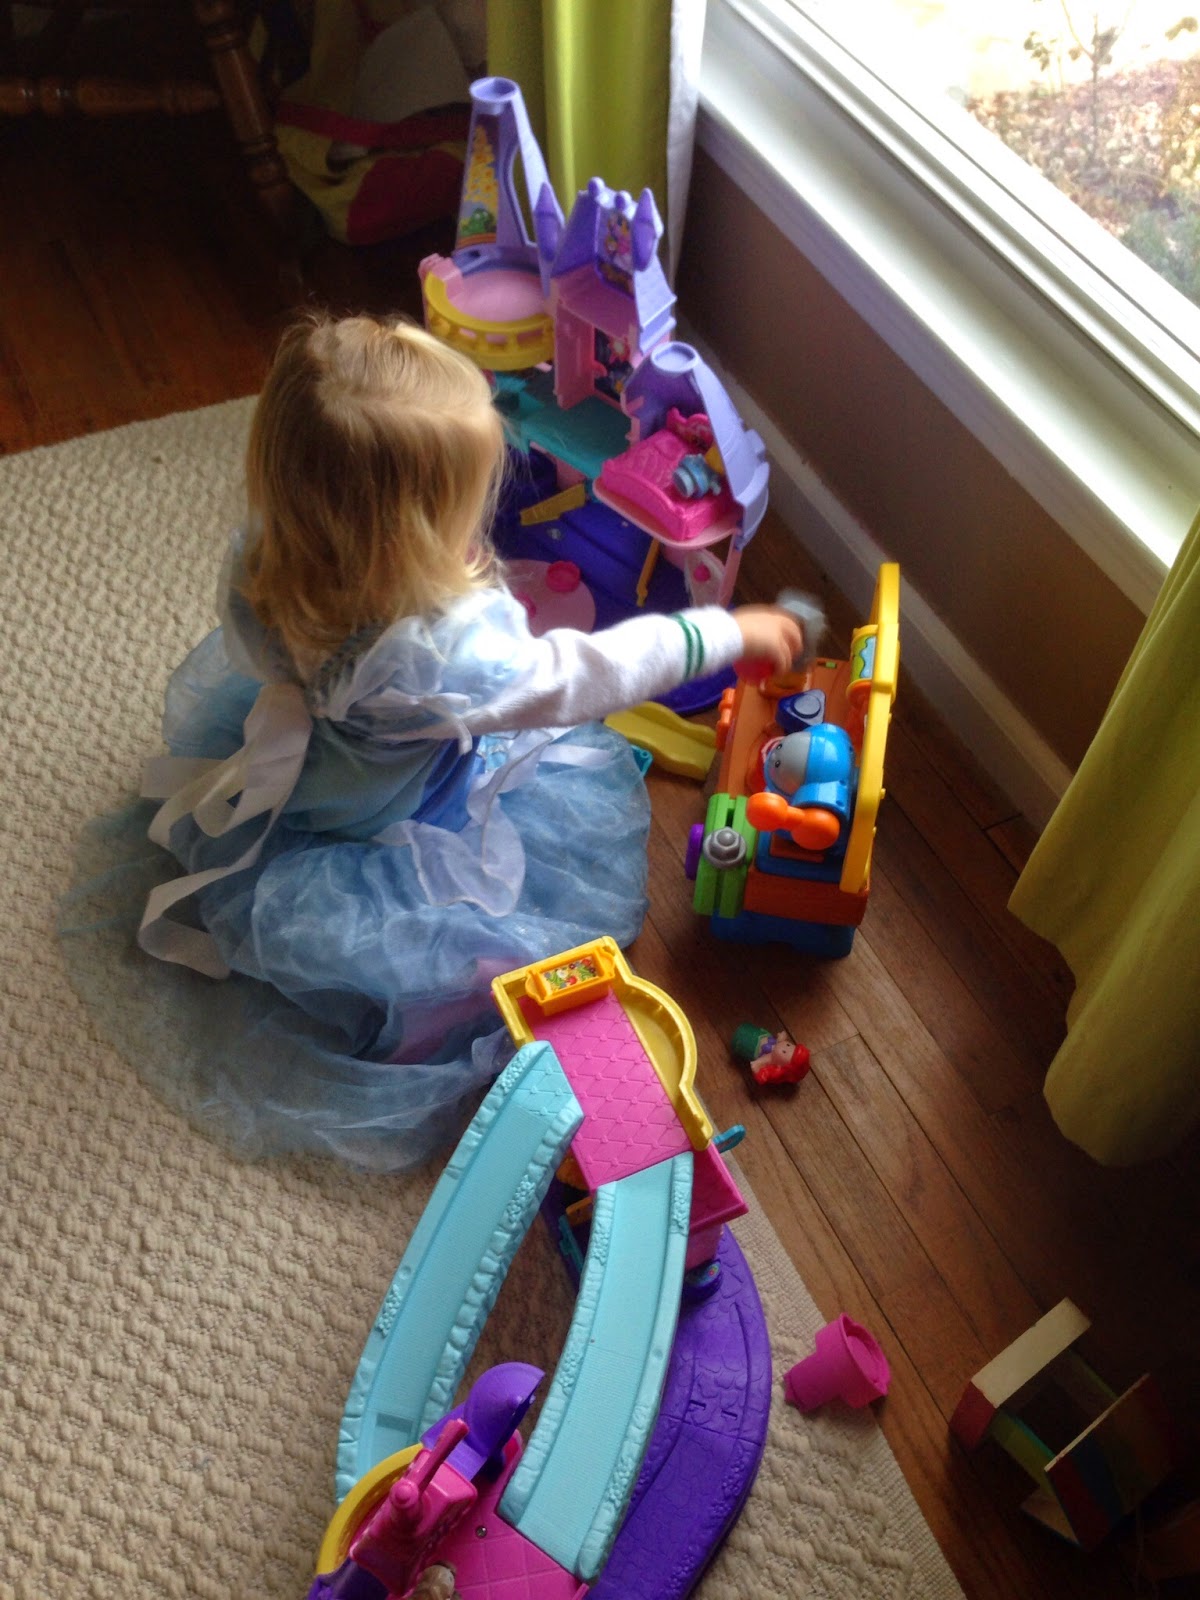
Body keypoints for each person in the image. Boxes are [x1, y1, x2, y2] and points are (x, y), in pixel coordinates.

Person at [60, 313, 803, 1171]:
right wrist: (721, 633)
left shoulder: (268, 556)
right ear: (411, 539)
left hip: (315, 756)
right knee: (455, 919)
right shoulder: (442, 660)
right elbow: (586, 673)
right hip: (393, 807)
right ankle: (428, 998)